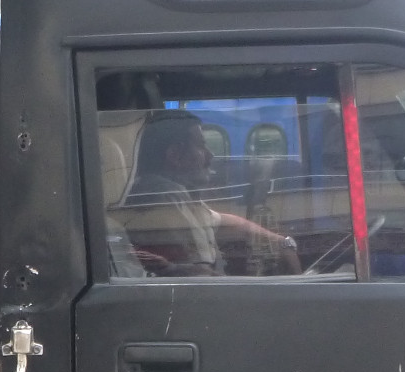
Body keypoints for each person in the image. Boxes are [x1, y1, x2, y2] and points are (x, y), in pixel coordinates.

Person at [120, 111, 299, 276]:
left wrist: (280, 241)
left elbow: (219, 220)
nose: (210, 155)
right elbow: (196, 276)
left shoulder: (178, 195)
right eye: (201, 145)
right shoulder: (163, 198)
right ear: (175, 155)